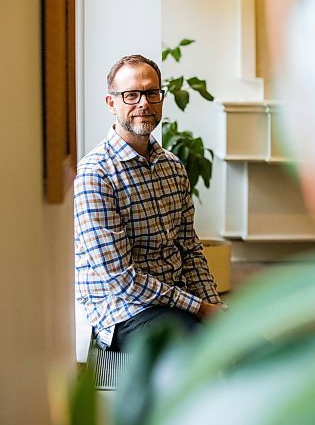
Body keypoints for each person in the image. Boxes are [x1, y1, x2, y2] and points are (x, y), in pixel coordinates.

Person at [74, 54, 225, 351]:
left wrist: (214, 305)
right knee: (204, 354)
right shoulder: (95, 174)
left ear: (160, 98)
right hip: (122, 310)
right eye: (131, 95)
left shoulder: (173, 167)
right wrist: (199, 308)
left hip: (174, 301)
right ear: (111, 103)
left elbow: (190, 249)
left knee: (246, 343)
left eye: (151, 93)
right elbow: (120, 279)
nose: (143, 103)